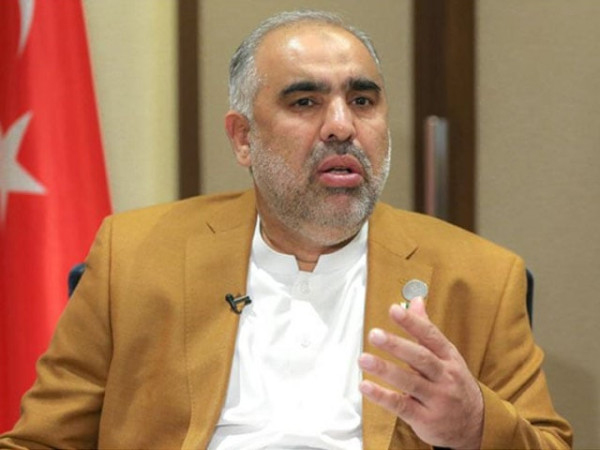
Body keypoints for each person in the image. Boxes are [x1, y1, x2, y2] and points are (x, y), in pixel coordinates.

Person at [0, 9, 572, 449]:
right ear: (243, 138)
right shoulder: (134, 255)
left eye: (362, 100)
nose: (342, 126)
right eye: (305, 101)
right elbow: (40, 442)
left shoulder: (481, 276)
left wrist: (476, 427)